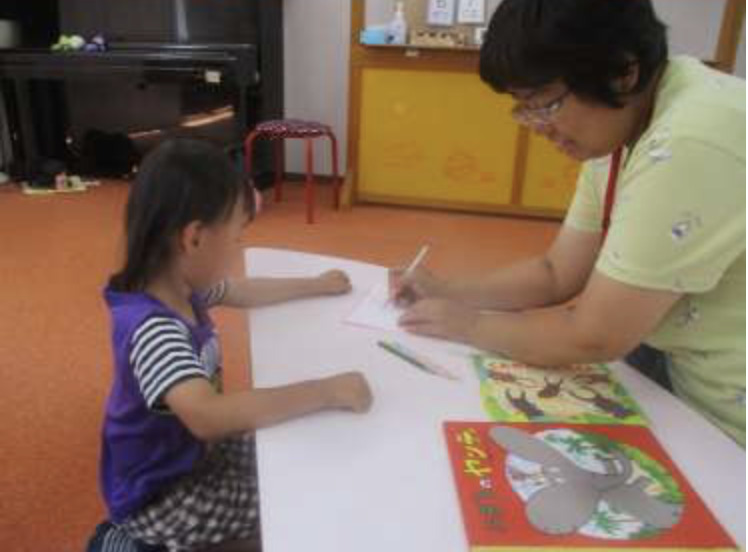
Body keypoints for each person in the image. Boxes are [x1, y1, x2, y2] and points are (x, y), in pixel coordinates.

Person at [391, 0, 745, 446]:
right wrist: (447, 290)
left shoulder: (690, 142)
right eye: (524, 107)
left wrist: (470, 325)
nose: (536, 126)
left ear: (623, 72)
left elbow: (593, 336)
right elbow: (556, 272)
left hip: (726, 416)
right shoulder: (625, 124)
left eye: (546, 105)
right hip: (674, 359)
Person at [99, 138, 373, 551]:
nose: (239, 249)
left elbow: (242, 291)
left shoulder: (179, 284)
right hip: (162, 496)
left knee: (295, 452)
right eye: (237, 237)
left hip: (195, 454)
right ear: (193, 239)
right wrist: (325, 390)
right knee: (297, 502)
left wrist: (314, 284)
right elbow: (208, 416)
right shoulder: (154, 328)